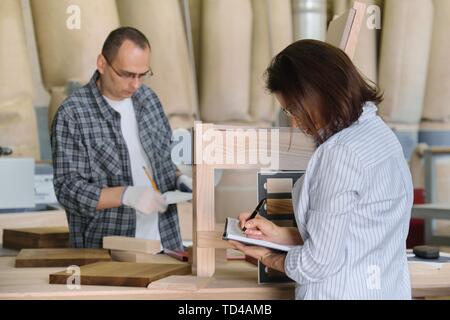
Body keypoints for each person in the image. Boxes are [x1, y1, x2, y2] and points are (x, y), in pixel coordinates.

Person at [229, 40, 413, 300]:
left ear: (316, 95)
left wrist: (269, 257)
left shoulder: (340, 154)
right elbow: (352, 235)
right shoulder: (379, 135)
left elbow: (318, 263)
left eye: (293, 109)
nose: (294, 123)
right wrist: (279, 235)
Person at [51, 27, 191, 249]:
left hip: (165, 244)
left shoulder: (149, 100)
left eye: (142, 75)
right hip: (108, 253)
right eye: (126, 74)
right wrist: (125, 195)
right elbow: (68, 190)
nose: (135, 84)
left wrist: (179, 181)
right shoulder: (73, 114)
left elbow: (163, 161)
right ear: (102, 63)